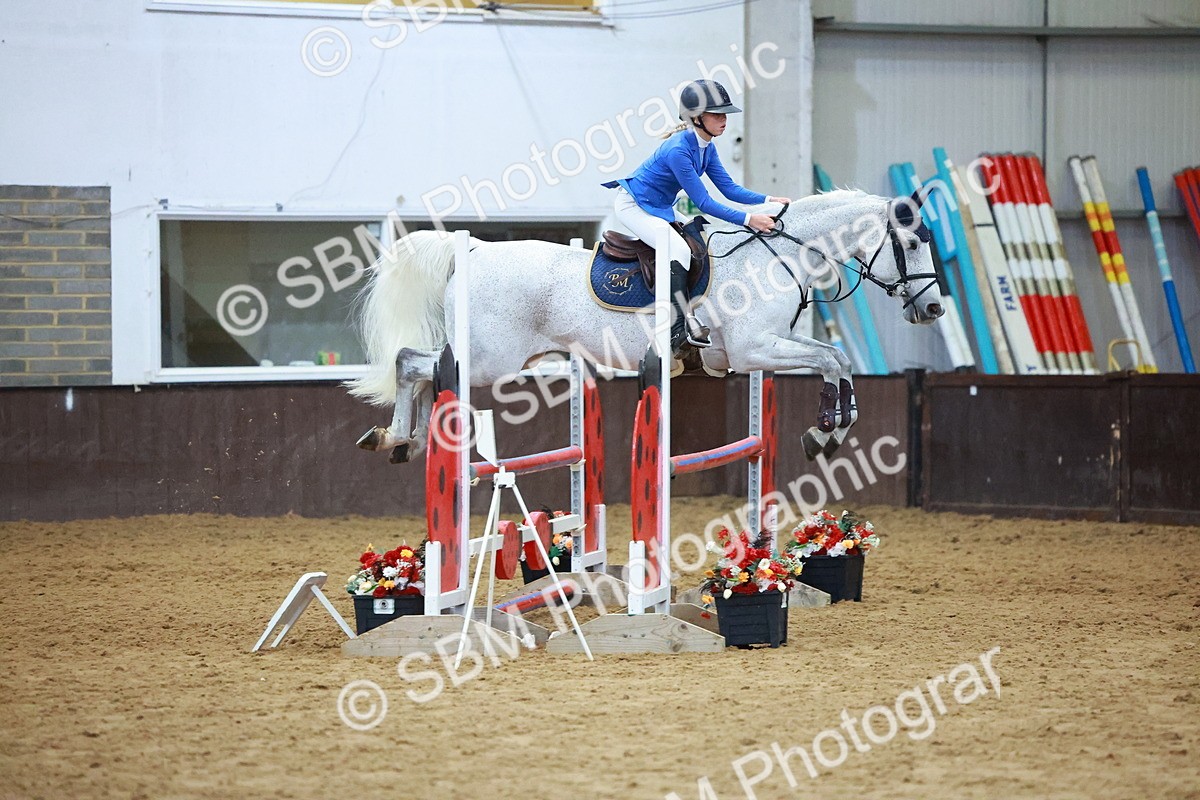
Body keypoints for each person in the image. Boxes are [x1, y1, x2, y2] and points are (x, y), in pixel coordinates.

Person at [603, 79, 790, 354]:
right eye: (716, 114)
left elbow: (729, 189)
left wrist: (767, 201)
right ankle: (674, 328)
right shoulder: (678, 150)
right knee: (677, 248)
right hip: (635, 205)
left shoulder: (706, 147)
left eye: (725, 113)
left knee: (699, 238)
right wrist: (750, 220)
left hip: (660, 204)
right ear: (696, 118)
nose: (724, 119)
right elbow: (704, 202)